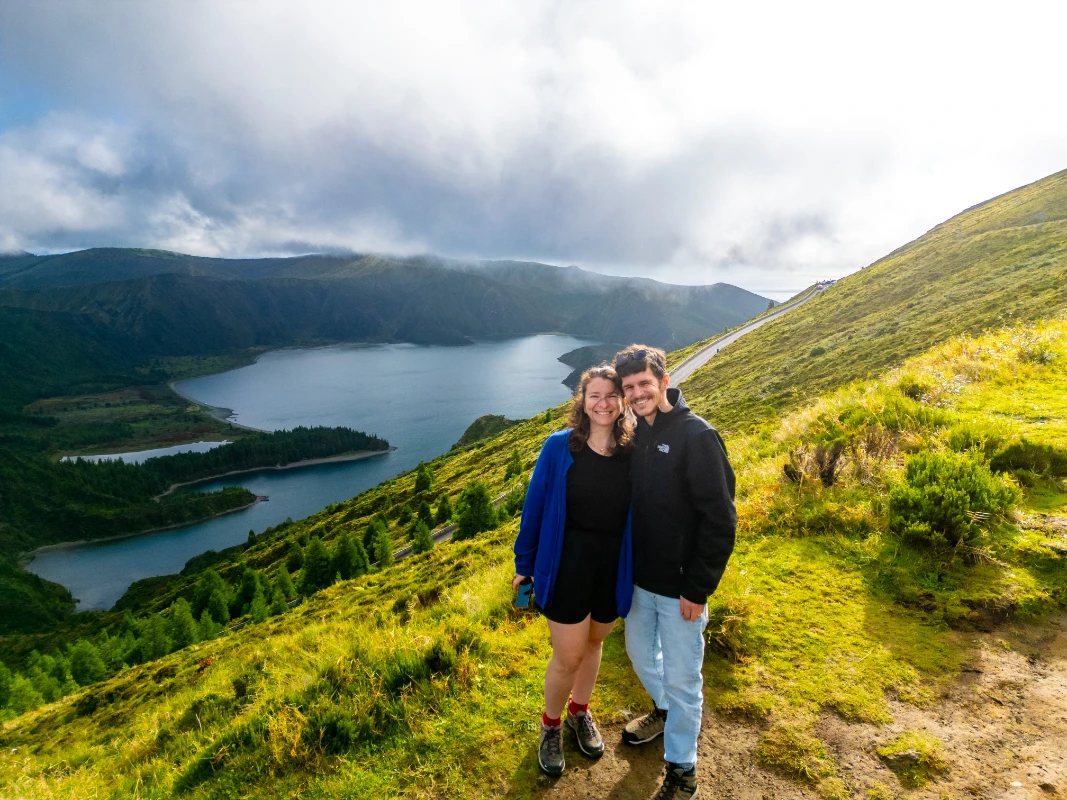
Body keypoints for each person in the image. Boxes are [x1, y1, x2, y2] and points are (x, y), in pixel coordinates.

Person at [613, 344, 736, 800]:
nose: (637, 393)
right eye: (629, 387)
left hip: (682, 589)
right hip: (640, 583)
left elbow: (720, 520)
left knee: (685, 680)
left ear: (664, 381)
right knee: (642, 656)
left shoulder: (697, 436)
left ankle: (683, 770)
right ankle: (664, 711)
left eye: (644, 383)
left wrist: (698, 588)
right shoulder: (635, 435)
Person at [513, 365, 636, 777]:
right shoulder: (558, 446)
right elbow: (534, 507)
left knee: (594, 644)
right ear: (582, 401)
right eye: (594, 395)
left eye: (612, 395)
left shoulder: (632, 452)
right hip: (566, 566)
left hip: (612, 567)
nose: (603, 403)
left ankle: (579, 711)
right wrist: (524, 565)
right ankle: (550, 725)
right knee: (568, 656)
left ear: (622, 401)